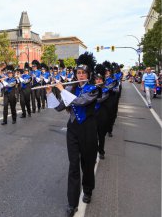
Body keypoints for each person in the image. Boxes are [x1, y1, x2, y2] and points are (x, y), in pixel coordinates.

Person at [46, 52, 99, 217]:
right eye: (78, 73)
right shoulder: (71, 87)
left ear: (88, 75)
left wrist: (63, 90)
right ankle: (72, 202)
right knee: (74, 165)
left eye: (83, 73)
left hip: (88, 129)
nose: (80, 75)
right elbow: (59, 108)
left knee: (87, 163)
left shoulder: (93, 89)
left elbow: (81, 101)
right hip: (73, 130)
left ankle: (88, 189)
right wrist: (49, 92)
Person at [94, 64, 111, 160]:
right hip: (92, 115)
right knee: (92, 136)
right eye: (96, 79)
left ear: (103, 80)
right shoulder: (91, 88)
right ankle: (93, 152)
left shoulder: (105, 89)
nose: (98, 80)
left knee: (101, 135)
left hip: (102, 115)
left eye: (100, 79)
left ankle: (101, 151)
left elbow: (100, 99)